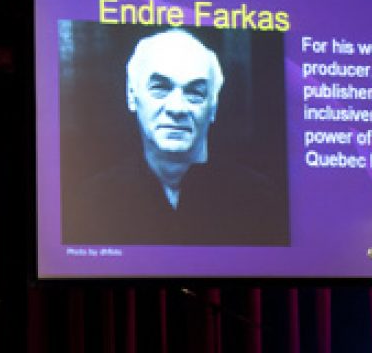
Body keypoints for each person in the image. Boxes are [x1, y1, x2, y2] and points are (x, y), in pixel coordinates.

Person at [63, 28, 289, 245]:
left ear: (213, 107)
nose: (177, 108)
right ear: (132, 96)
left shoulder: (260, 201)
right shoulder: (88, 202)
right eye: (160, 88)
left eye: (194, 92)